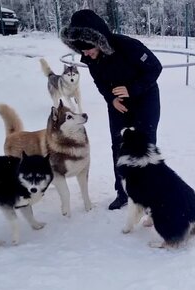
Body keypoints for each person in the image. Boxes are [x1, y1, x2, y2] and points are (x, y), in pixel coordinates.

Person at [60, 9, 162, 210]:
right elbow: (100, 83)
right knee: (118, 146)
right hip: (118, 104)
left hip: (145, 99)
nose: (86, 54)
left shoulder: (127, 46)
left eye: (88, 49)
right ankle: (123, 192)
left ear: (98, 40)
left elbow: (155, 68)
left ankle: (148, 192)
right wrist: (111, 99)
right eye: (81, 51)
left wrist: (132, 89)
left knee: (145, 145)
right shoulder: (90, 58)